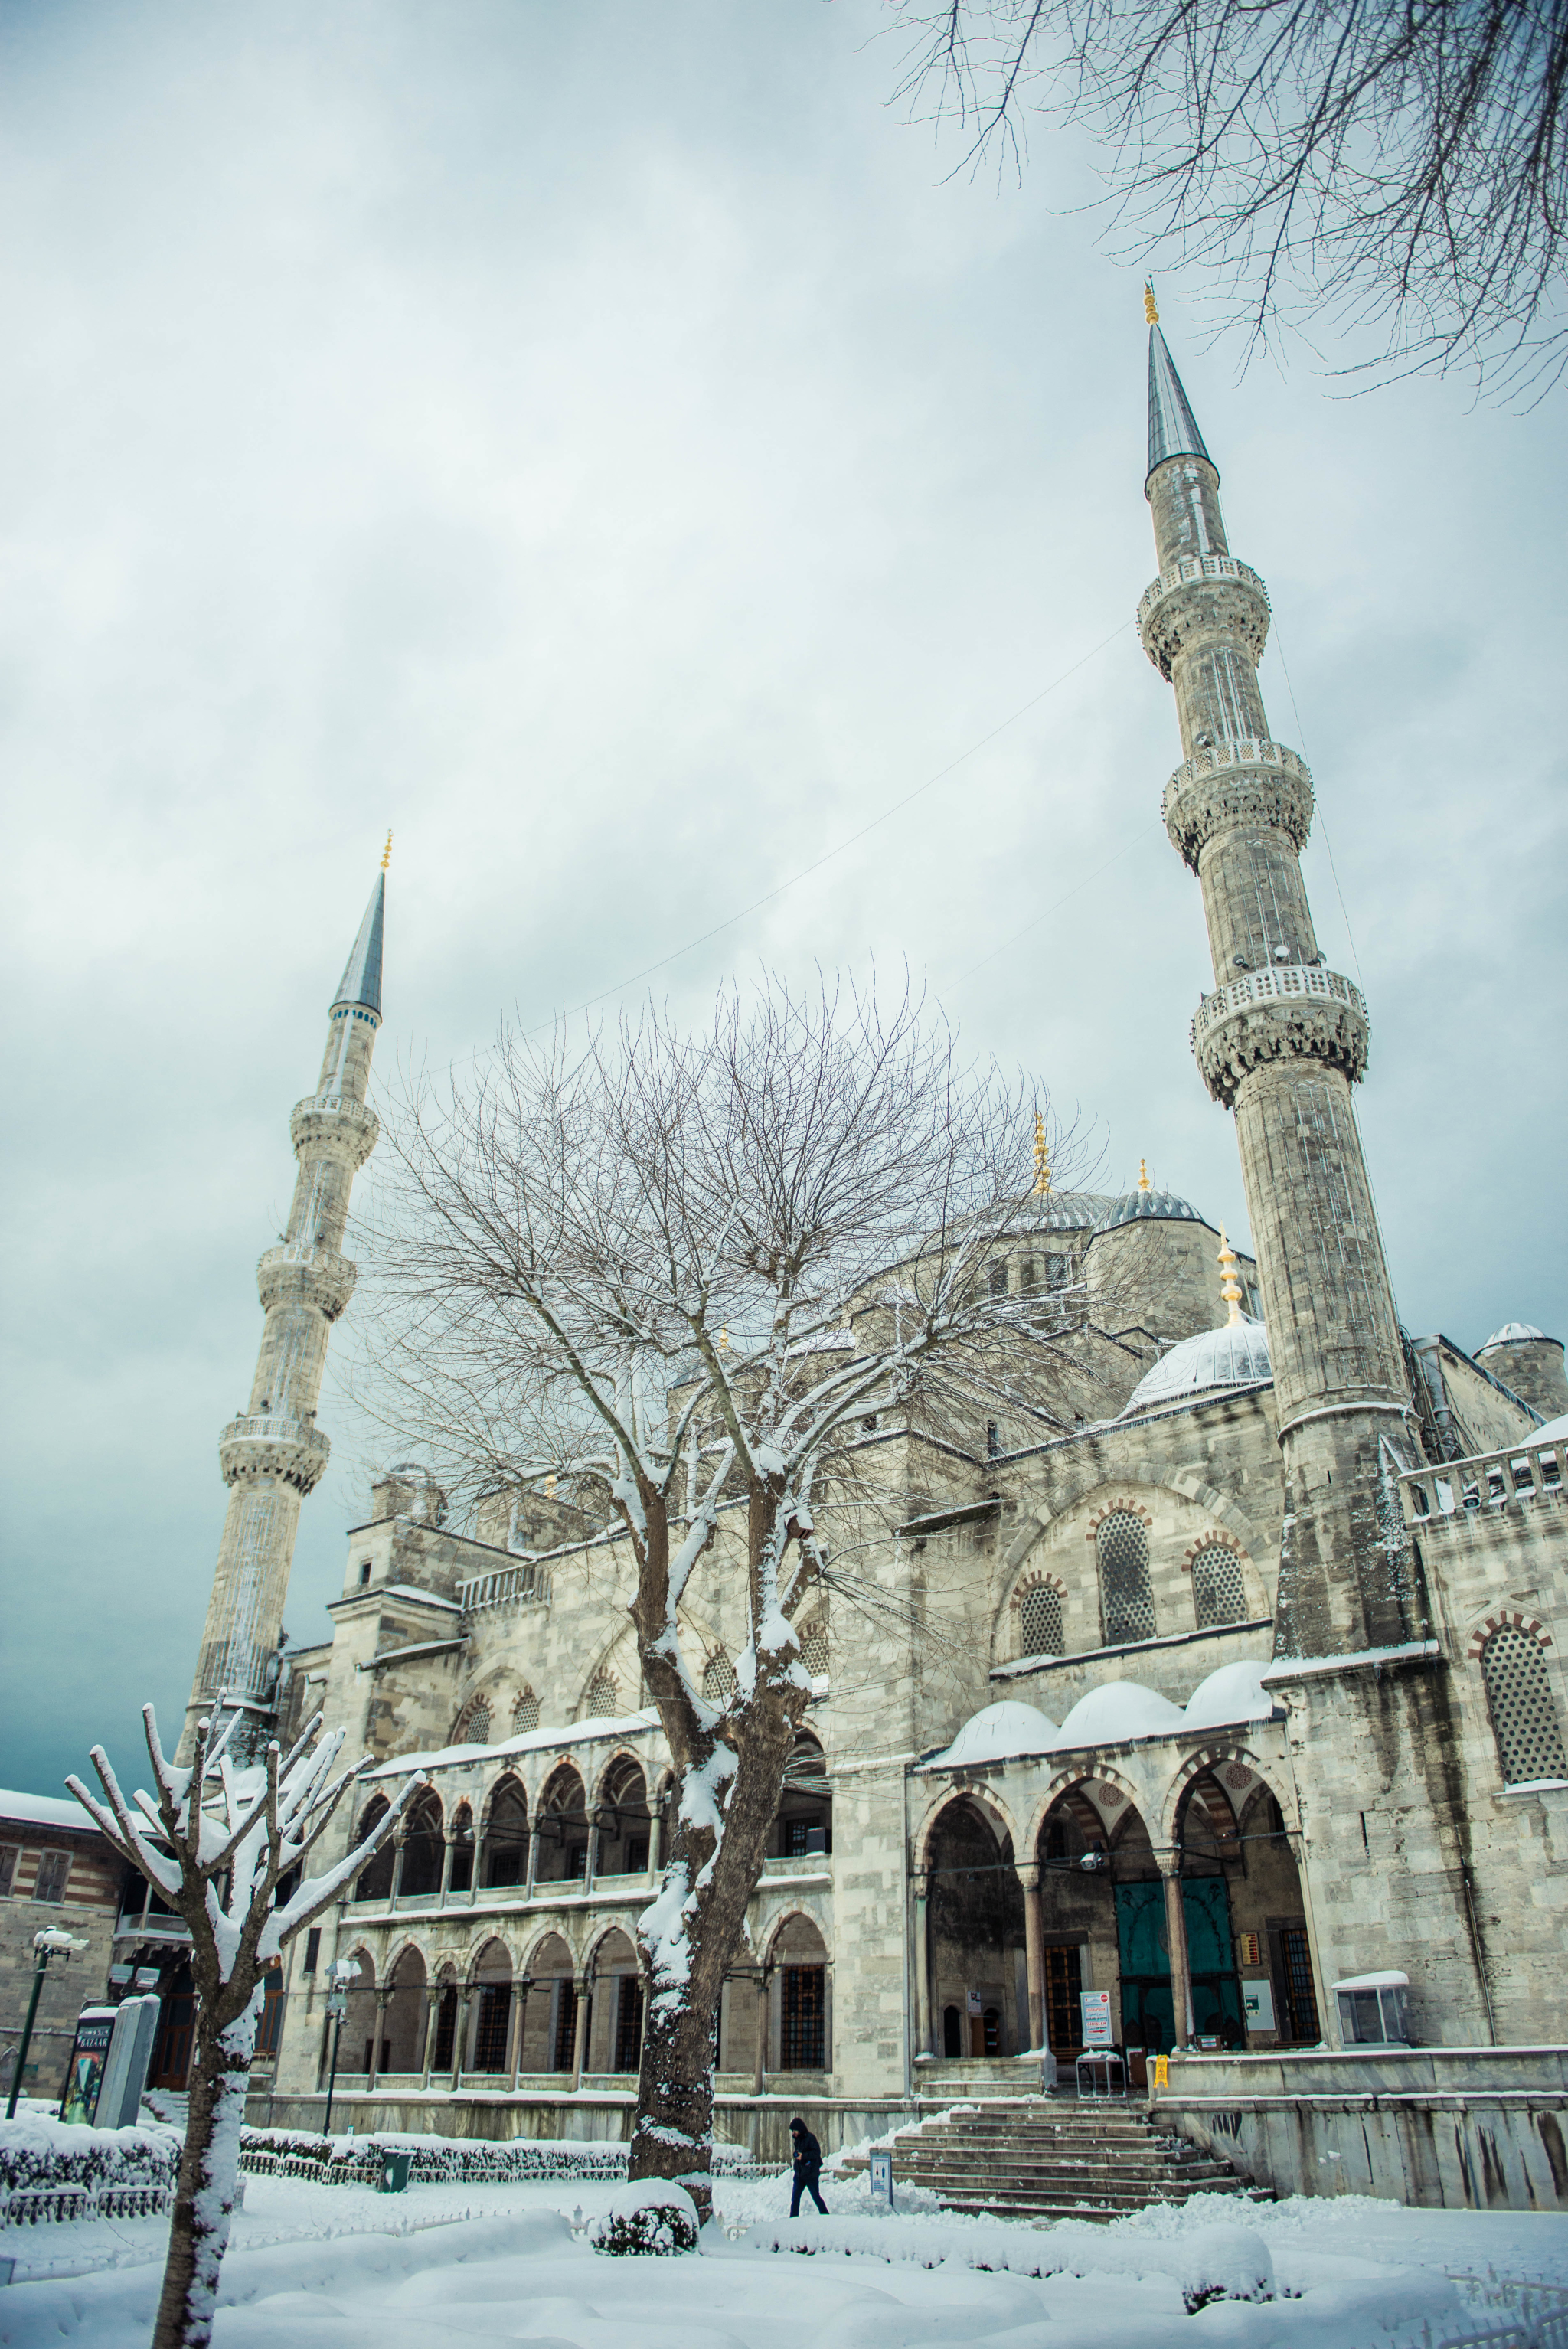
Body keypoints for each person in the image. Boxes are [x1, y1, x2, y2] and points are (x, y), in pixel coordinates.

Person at [788, 2115, 827, 2216]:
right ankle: (793, 2219)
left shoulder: (810, 2138)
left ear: (800, 2129)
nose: (793, 2133)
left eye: (795, 2131)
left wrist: (803, 2156)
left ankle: (825, 2216)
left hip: (810, 2174)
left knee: (816, 2196)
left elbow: (816, 2153)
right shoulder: (798, 2140)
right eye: (792, 2131)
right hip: (800, 2174)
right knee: (795, 2198)